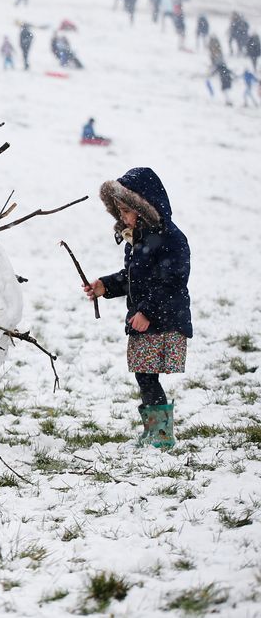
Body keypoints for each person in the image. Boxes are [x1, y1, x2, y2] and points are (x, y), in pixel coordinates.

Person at [83, 168, 192, 449]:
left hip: (163, 318)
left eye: (126, 210)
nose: (122, 216)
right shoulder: (138, 239)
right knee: (144, 374)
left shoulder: (170, 239)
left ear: (143, 208)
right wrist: (104, 286)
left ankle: (160, 434)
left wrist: (147, 313)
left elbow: (172, 282)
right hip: (147, 316)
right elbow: (132, 277)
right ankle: (156, 431)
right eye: (118, 210)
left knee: (146, 374)